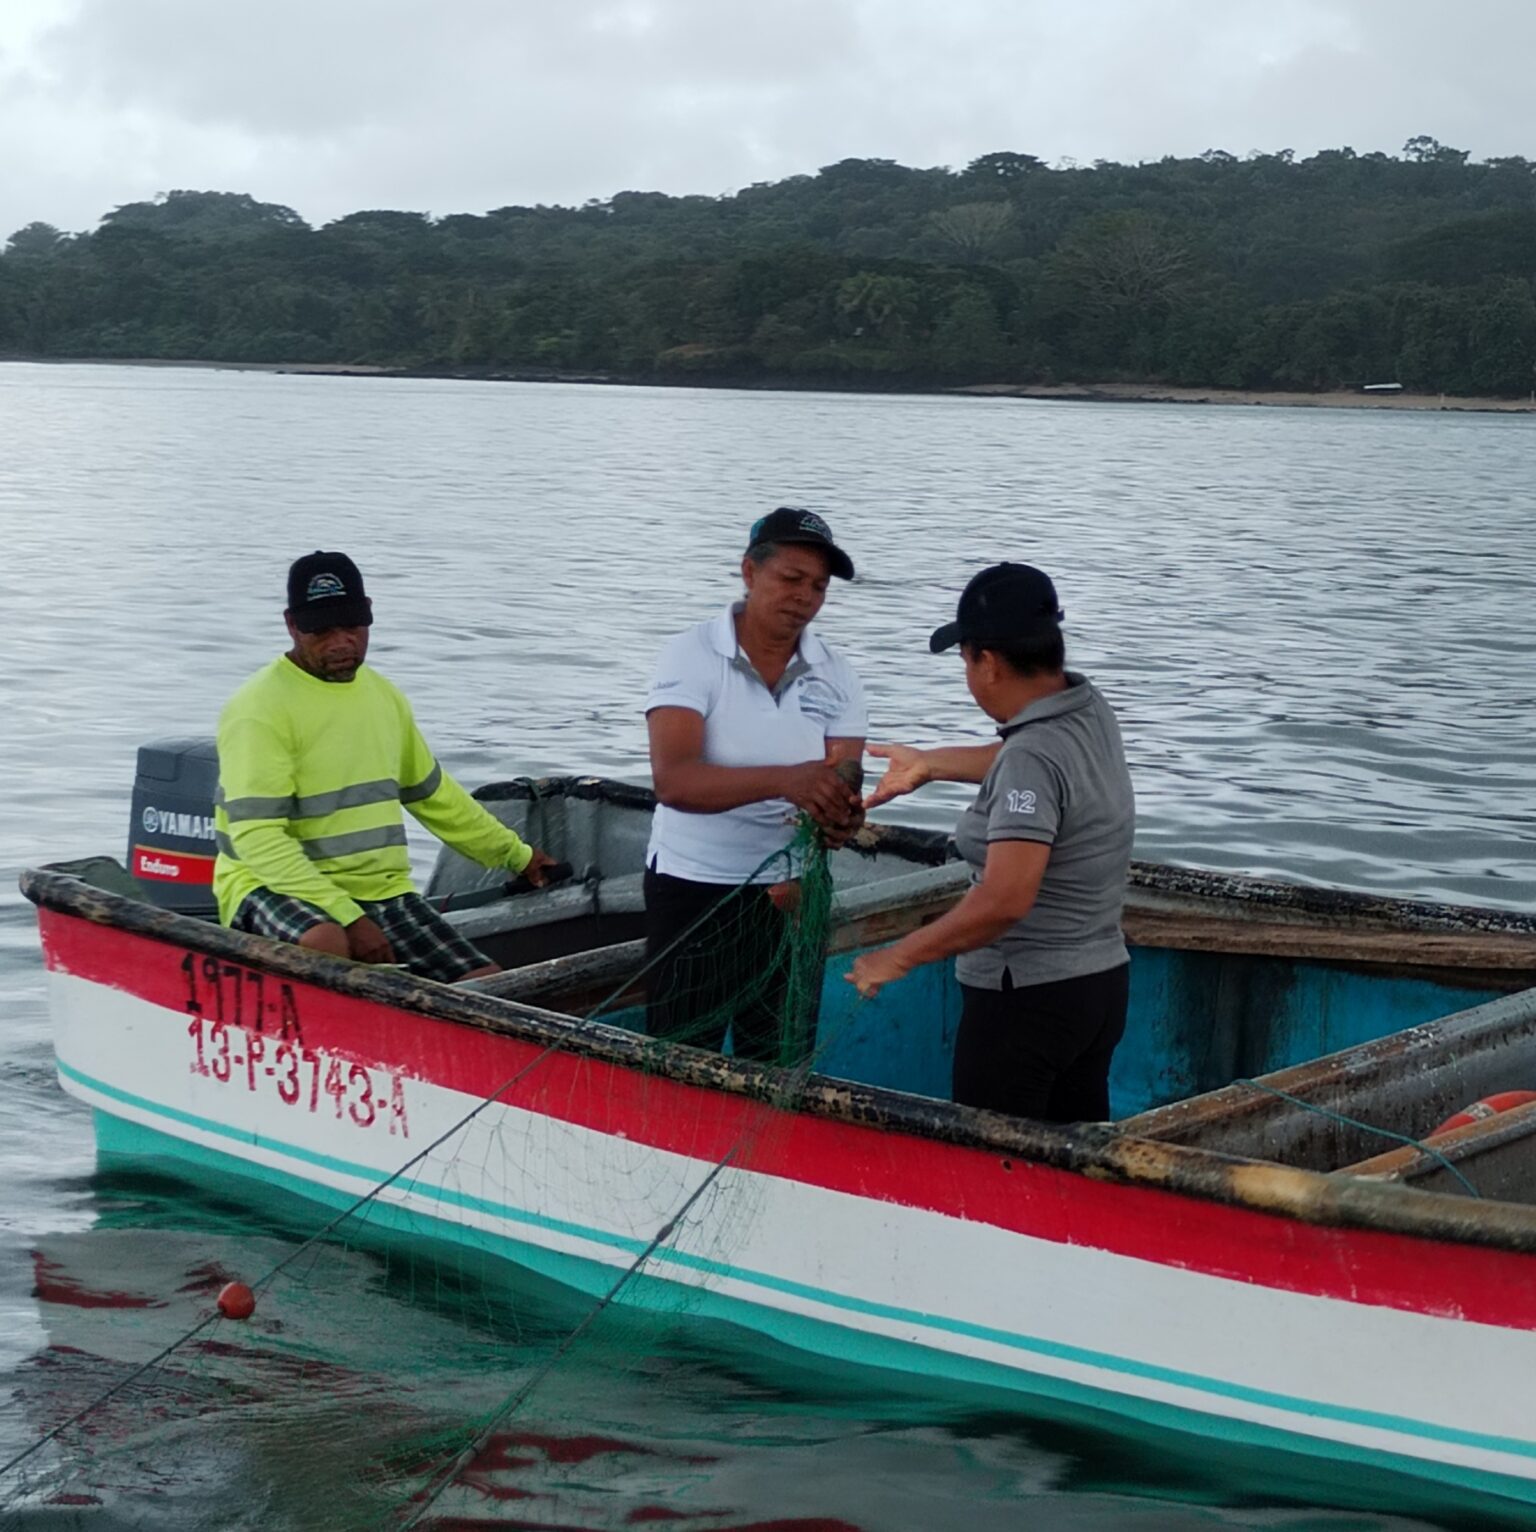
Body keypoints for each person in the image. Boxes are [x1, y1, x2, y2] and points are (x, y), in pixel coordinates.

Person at [846, 563, 1135, 1123]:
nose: (968, 674)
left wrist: (897, 957)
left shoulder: (1031, 756)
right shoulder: (1087, 708)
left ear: (989, 662)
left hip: (1026, 1001)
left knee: (993, 1176)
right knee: (1070, 1171)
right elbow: (1029, 762)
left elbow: (1006, 898)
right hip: (1098, 988)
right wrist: (929, 765)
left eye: (965, 660)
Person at [213, 551, 555, 983]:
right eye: (322, 629)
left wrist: (517, 856)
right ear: (292, 625)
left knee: (487, 986)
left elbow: (434, 797)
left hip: (379, 892)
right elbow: (257, 839)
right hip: (270, 885)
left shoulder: (385, 699)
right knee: (328, 945)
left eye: (351, 625)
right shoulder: (258, 708)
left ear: (369, 616)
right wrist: (350, 919)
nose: (340, 642)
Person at [644, 508, 867, 1062]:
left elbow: (844, 775)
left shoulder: (837, 672)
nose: (806, 597)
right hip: (696, 891)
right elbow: (674, 781)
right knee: (681, 1062)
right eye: (791, 578)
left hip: (794, 900)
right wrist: (788, 781)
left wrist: (841, 816)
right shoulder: (692, 654)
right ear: (749, 571)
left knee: (778, 1063)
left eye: (819, 586)